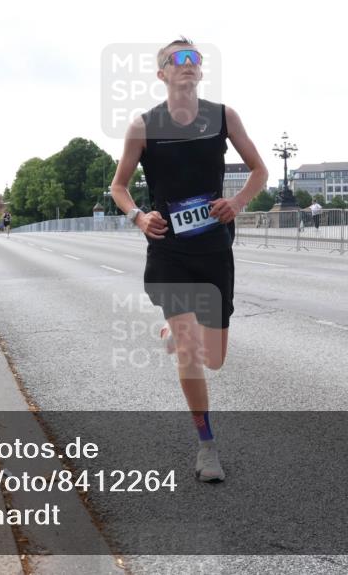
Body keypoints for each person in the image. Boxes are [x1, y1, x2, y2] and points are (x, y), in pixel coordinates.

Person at [111, 37, 268, 483]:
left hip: (214, 247)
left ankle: (171, 331)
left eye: (194, 58)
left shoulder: (223, 116)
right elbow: (119, 186)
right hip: (169, 248)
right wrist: (139, 217)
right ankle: (206, 446)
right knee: (189, 349)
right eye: (177, 58)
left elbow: (259, 170)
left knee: (213, 358)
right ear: (161, 73)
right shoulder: (144, 125)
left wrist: (237, 201)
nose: (188, 63)